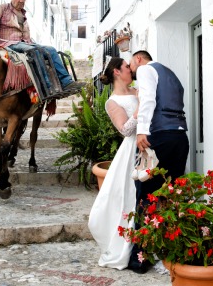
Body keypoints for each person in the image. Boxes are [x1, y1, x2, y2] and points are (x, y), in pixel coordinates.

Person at [128, 50, 190, 273]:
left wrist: (142, 131)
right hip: (180, 137)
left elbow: (148, 100)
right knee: (172, 194)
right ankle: (173, 251)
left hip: (160, 136)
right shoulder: (172, 75)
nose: (132, 72)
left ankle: (141, 257)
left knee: (145, 193)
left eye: (131, 66)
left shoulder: (146, 69)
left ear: (138, 59)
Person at [0, 0, 84, 94]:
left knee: (51, 50)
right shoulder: (2, 8)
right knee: (34, 51)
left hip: (25, 43)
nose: (21, 1)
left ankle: (67, 82)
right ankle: (47, 86)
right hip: (7, 44)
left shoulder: (23, 14)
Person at [88, 57, 138, 270]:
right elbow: (125, 129)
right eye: (127, 66)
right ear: (117, 72)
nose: (131, 69)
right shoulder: (113, 101)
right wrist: (141, 108)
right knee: (129, 196)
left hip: (152, 142)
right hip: (133, 147)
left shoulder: (137, 91)